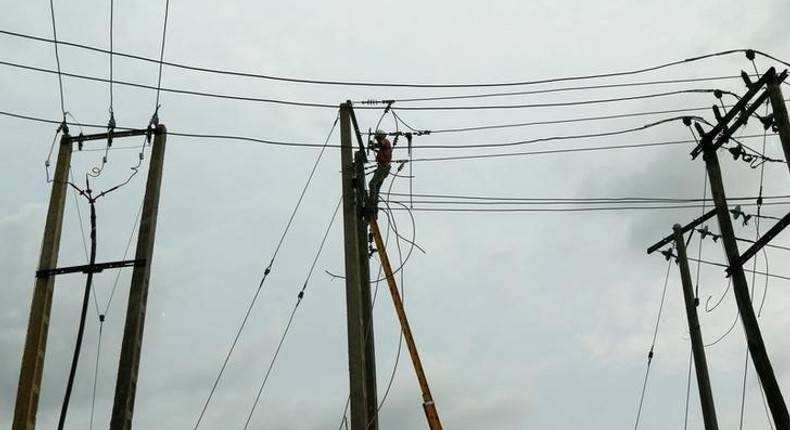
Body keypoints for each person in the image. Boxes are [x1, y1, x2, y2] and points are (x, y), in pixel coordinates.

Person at [368, 129, 392, 215]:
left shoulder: (385, 141)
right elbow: (381, 150)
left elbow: (381, 144)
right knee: (376, 187)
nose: (377, 140)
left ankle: (371, 204)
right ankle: (374, 208)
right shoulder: (384, 147)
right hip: (384, 168)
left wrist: (373, 144)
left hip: (383, 168)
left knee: (372, 184)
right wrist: (373, 148)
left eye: (378, 138)